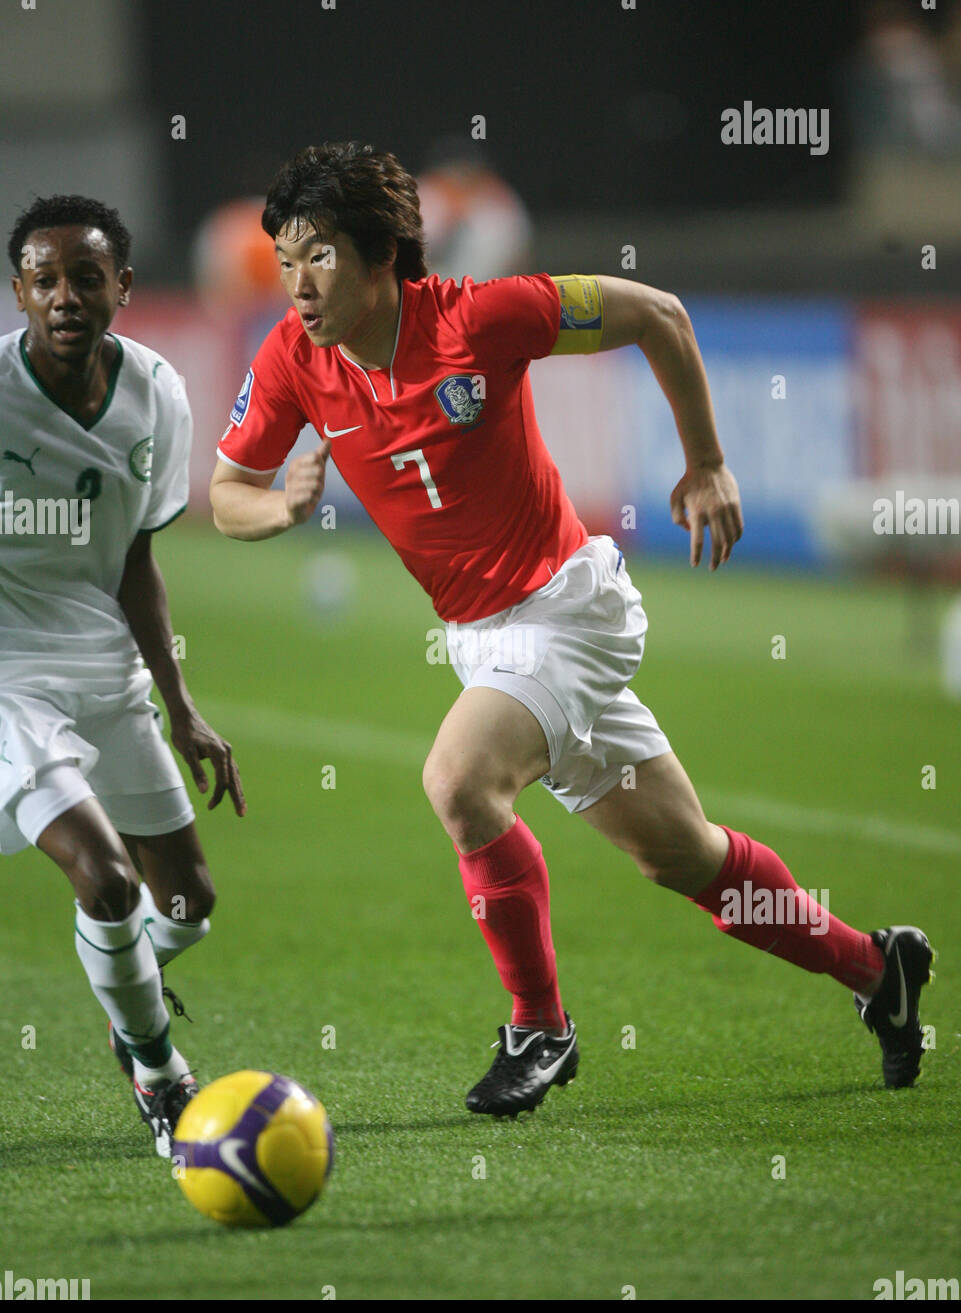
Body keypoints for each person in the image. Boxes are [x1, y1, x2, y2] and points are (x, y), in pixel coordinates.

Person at [209, 143, 933, 1115]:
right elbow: (225, 496)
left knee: (460, 782)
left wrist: (707, 463)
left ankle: (539, 1027)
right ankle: (875, 968)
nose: (296, 285)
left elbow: (658, 315)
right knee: (684, 854)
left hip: (566, 607)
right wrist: (283, 512)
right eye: (285, 259)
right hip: (482, 638)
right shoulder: (293, 358)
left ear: (383, 254)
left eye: (319, 257)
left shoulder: (482, 316)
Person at [3, 195, 245, 1155]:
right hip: (12, 677)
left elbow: (139, 563)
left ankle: (123, 995)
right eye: (45, 278)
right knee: (102, 882)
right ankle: (158, 1070)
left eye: (86, 277)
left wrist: (182, 709)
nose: (66, 295)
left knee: (186, 903)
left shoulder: (159, 392)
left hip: (108, 669)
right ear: (19, 290)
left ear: (123, 287)